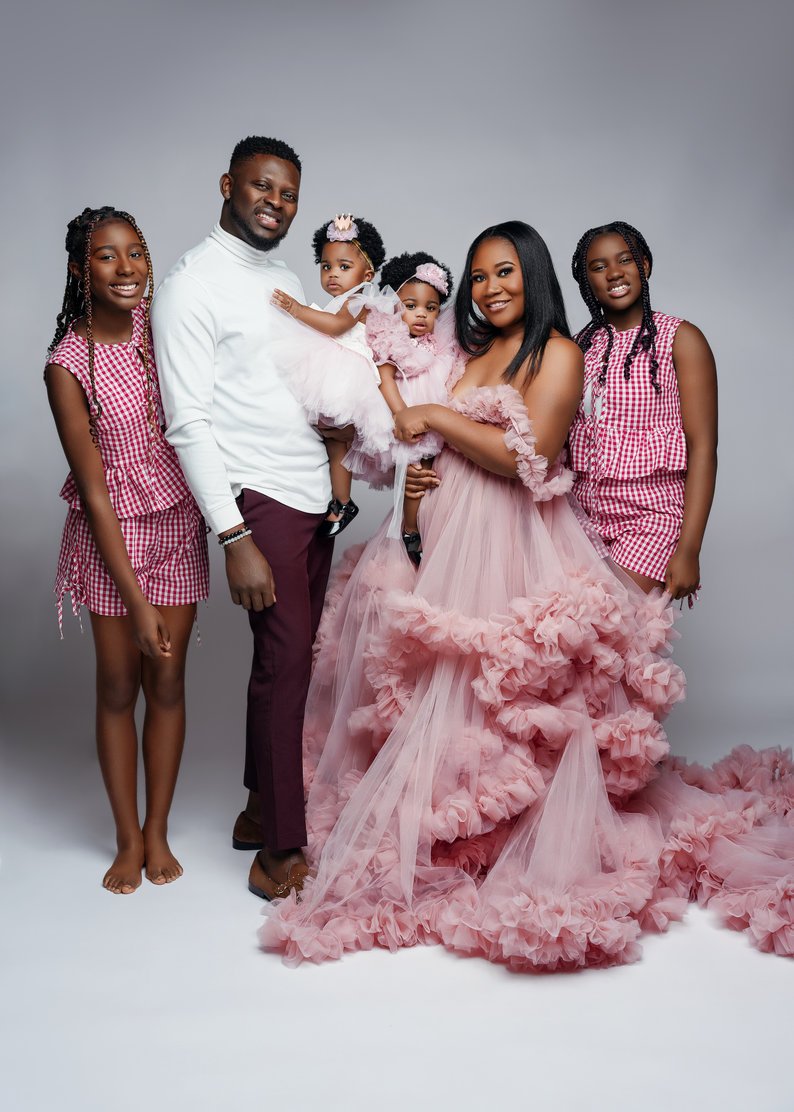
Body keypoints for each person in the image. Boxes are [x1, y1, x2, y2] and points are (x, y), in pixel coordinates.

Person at [260, 220, 793, 969]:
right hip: (447, 525)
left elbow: (531, 455)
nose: (489, 288)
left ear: (534, 275)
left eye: (505, 272)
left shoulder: (561, 352)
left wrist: (440, 417)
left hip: (508, 529)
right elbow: (413, 421)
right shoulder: (474, 350)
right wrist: (412, 473)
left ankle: (509, 832)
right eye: (478, 276)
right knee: (431, 681)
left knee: (503, 687)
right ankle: (452, 830)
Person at [151, 136, 335, 901]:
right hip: (257, 501)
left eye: (289, 194)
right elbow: (187, 422)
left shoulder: (284, 275)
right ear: (228, 184)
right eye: (263, 187)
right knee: (286, 672)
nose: (276, 203)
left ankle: (260, 811)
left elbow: (288, 379)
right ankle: (280, 854)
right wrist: (234, 536)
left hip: (312, 494)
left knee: (286, 667)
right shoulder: (192, 285)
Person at [46, 206, 209, 894]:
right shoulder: (66, 365)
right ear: (81, 269)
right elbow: (94, 493)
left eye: (136, 253)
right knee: (119, 686)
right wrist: (137, 602)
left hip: (176, 524)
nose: (127, 269)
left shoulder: (161, 325)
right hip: (113, 537)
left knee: (167, 682)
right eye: (107, 257)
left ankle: (158, 831)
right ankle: (125, 837)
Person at [568, 221, 718, 601]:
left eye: (625, 260)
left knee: (611, 625)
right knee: (579, 648)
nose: (614, 273)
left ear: (645, 266)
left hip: (651, 519)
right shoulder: (577, 347)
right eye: (598, 267)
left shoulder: (680, 339)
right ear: (586, 281)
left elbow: (703, 448)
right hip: (580, 519)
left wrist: (690, 548)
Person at [270, 213, 395, 534]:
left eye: (343, 266)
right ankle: (341, 501)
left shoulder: (358, 298)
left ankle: (340, 499)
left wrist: (297, 310)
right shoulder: (343, 298)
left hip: (347, 375)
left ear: (367, 274)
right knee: (334, 443)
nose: (332, 274)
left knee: (336, 438)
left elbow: (337, 326)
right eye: (326, 266)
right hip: (333, 370)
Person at [360, 251, 456, 564]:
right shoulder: (392, 339)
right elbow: (385, 378)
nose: (421, 315)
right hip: (406, 410)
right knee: (415, 470)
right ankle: (410, 528)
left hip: (431, 408)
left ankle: (423, 526)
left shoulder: (437, 342)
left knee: (428, 472)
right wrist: (401, 412)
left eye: (430, 308)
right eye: (411, 306)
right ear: (394, 306)